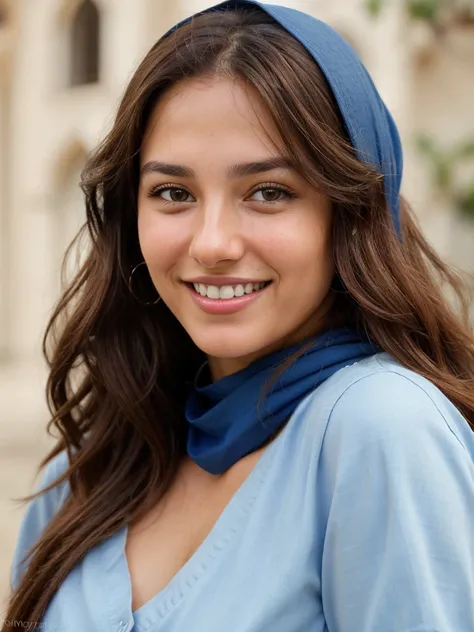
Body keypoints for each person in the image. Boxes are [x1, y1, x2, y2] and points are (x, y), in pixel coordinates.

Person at [4, 1, 474, 630]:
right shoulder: (88, 467)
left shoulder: (380, 430)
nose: (212, 244)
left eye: (268, 192)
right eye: (174, 193)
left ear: (350, 212)